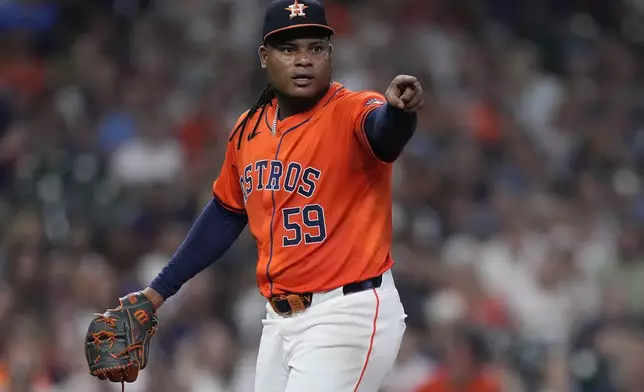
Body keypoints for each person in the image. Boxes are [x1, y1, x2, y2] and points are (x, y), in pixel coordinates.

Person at [87, 0, 423, 391]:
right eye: (288, 48)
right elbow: (226, 214)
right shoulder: (248, 130)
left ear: (330, 54)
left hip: (348, 312)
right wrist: (156, 293)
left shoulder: (352, 110)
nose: (303, 60)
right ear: (265, 56)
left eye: (315, 48)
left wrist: (400, 114)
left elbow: (384, 132)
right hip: (279, 321)